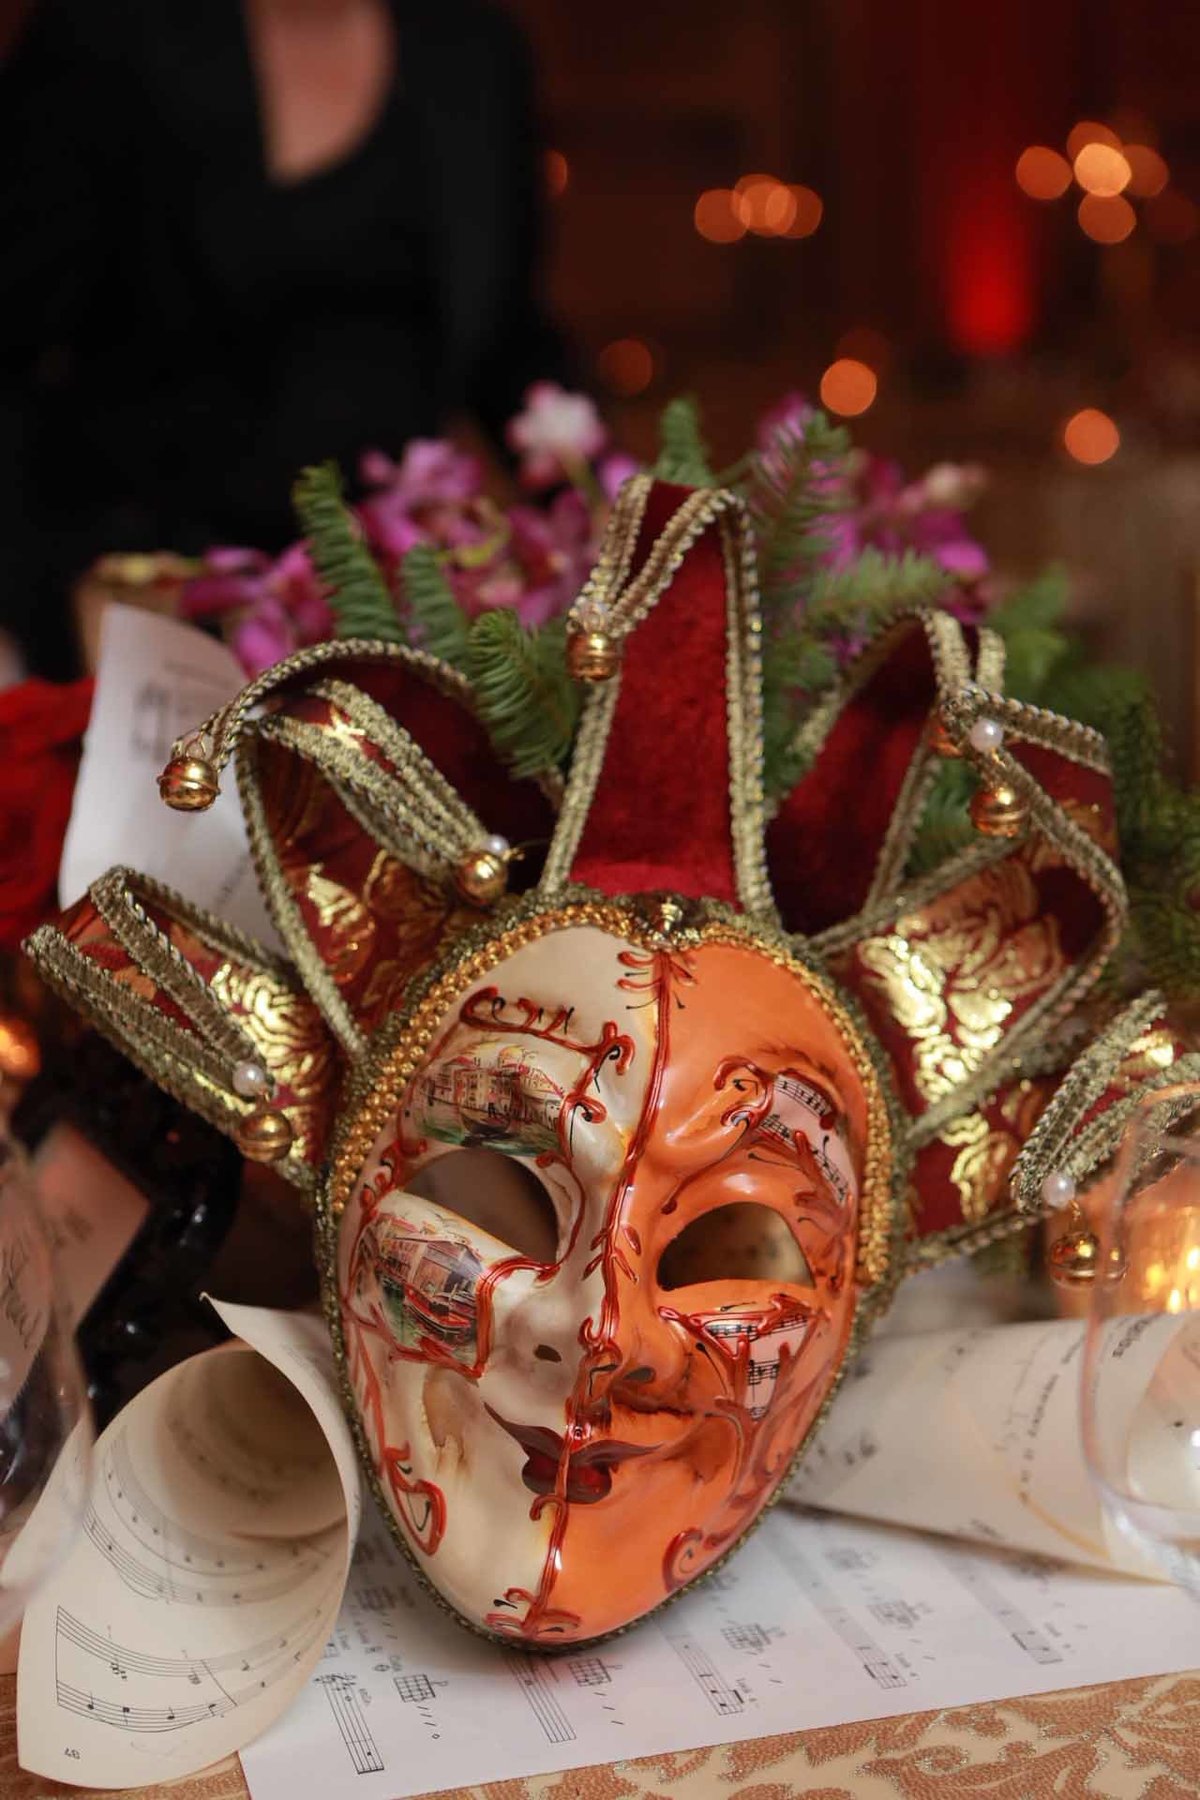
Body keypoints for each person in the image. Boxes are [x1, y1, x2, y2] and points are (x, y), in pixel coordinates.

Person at [0, 0, 570, 676]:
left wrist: (626, 516)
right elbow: (12, 345)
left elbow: (509, 346)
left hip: (386, 613)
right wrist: (27, 601)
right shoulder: (108, 33)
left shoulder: (472, 47)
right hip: (147, 605)